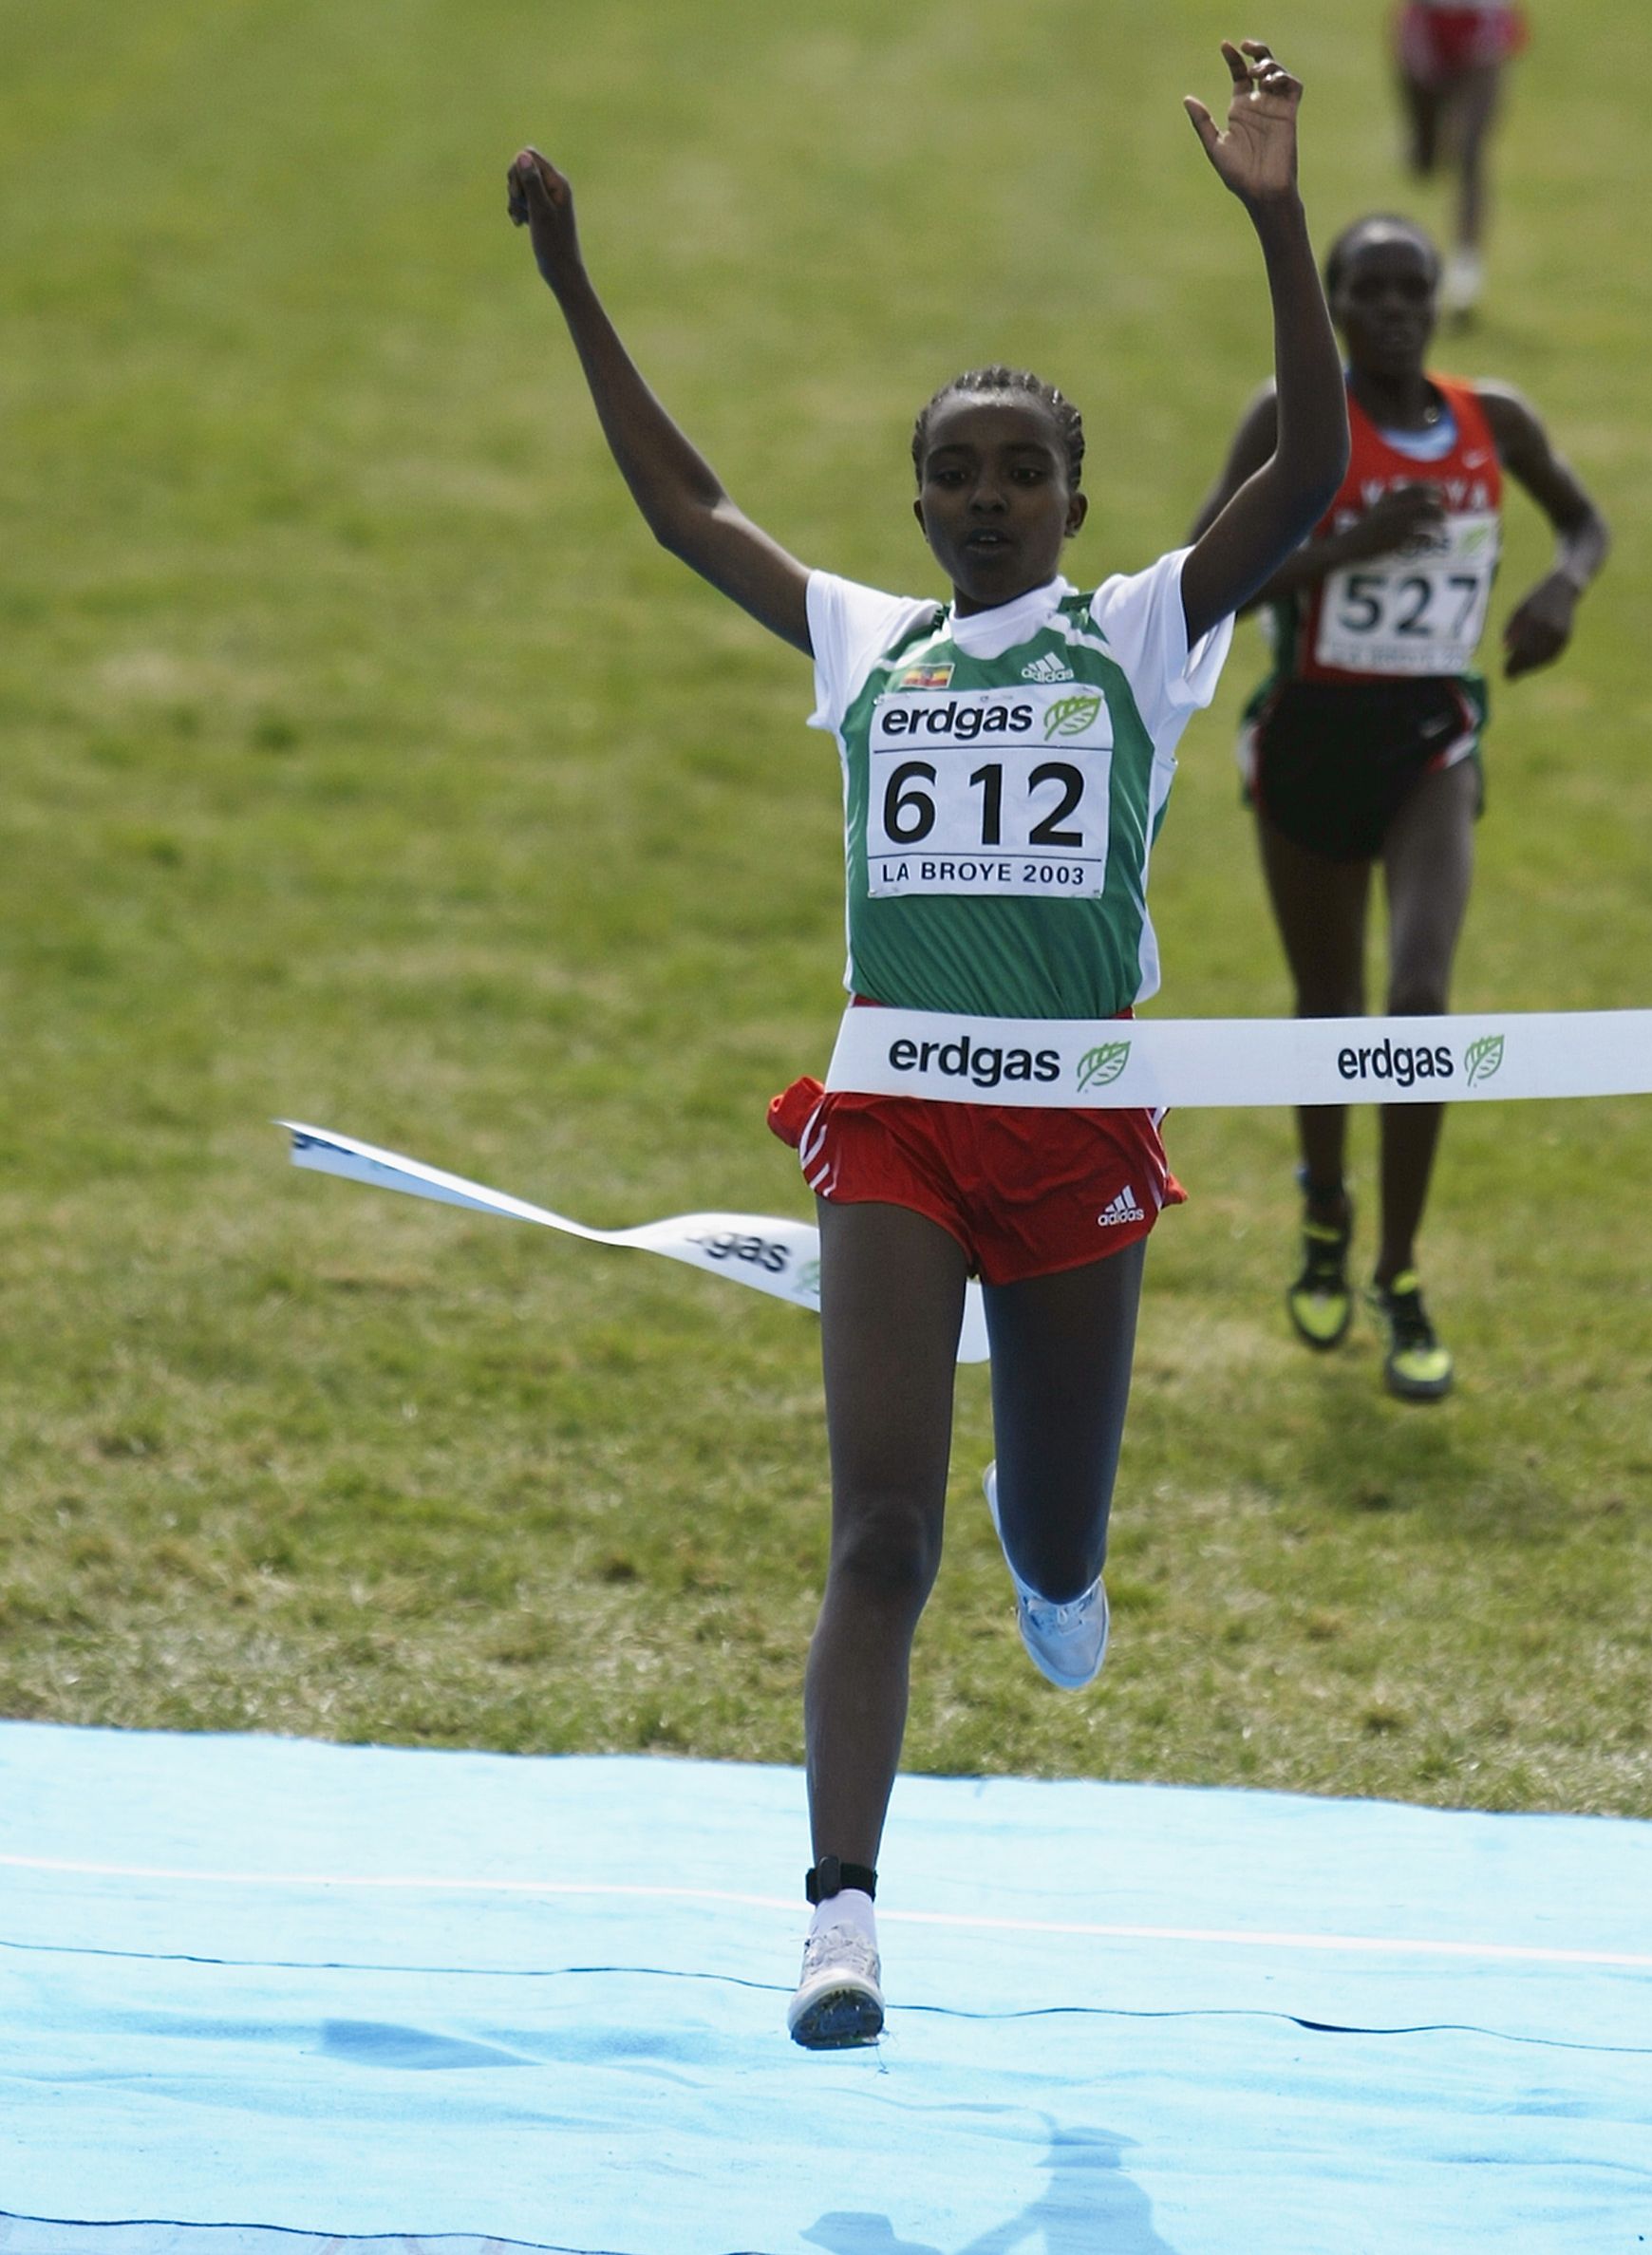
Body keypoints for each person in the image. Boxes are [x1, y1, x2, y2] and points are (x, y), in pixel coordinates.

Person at [507, 40, 1346, 2050]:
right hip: (891, 1115)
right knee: (871, 1524)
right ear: (915, 500)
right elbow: (687, 505)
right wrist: (570, 282)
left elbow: (1307, 475)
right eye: (952, 472)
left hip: (1072, 1133)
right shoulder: (870, 641)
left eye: (1018, 471)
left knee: (1047, 1538)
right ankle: (838, 1914)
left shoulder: (1143, 629)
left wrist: (1272, 215)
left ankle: (1053, 1566)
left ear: (1074, 498)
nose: (983, 498)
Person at [1189, 212, 1606, 1400]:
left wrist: (1563, 589)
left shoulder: (1495, 419)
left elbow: (1588, 521)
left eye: (1410, 289)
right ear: (1332, 306)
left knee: (1419, 999)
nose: (1390, 310)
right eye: (1365, 291)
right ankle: (1325, 1215)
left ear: (1434, 302)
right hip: (1309, 738)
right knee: (1330, 1003)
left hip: (1432, 743)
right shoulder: (1291, 420)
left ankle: (1400, 1271)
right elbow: (1197, 577)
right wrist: (1347, 545)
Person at [1391, 0, 1530, 321]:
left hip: (1482, 22)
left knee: (1470, 153)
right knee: (1424, 160)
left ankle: (1465, 271)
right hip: (1427, 24)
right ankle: (1422, 147)